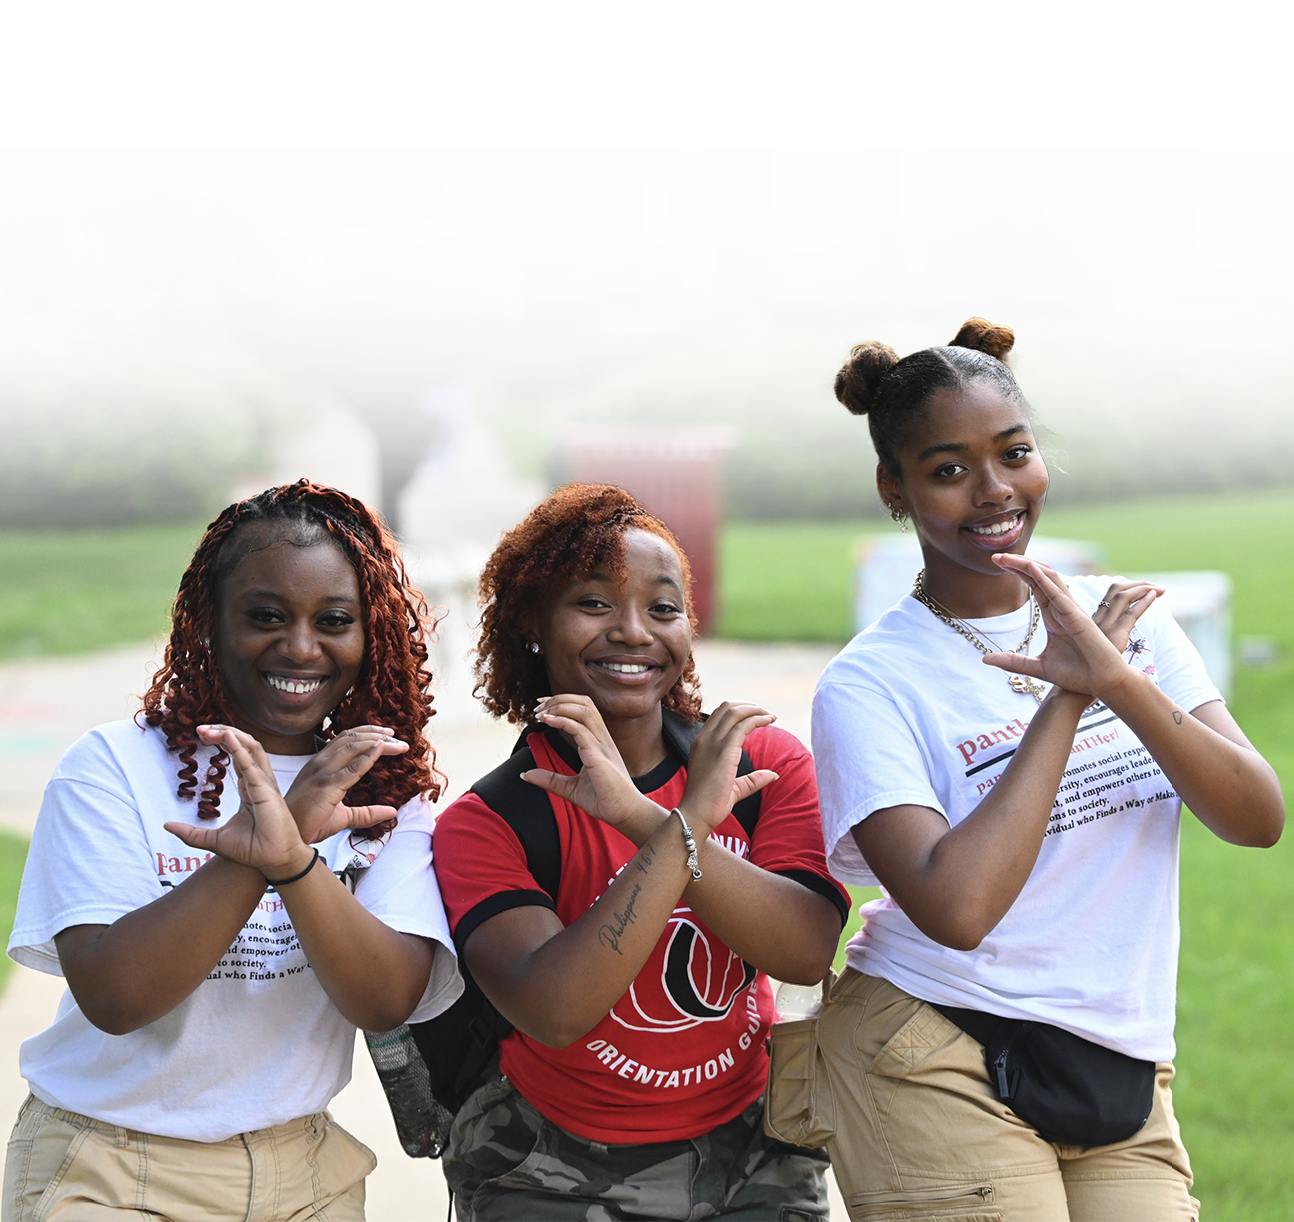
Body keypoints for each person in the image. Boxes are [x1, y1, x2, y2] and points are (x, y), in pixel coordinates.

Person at [809, 319, 1284, 1221]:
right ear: (893, 488)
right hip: (932, 1044)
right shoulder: (868, 683)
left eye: (1014, 454)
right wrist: (1067, 700)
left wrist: (1113, 676)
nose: (993, 491)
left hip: (1118, 1054)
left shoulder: (1133, 625)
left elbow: (1256, 815)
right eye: (948, 470)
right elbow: (958, 909)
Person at [3, 480, 462, 1222]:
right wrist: (251, 857)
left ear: (369, 636)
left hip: (303, 1173)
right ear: (208, 622)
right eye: (266, 617)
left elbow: (386, 1001)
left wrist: (295, 865)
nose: (301, 646)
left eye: (334, 620)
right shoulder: (115, 767)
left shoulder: (383, 794)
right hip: (112, 1166)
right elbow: (116, 999)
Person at [432, 483, 851, 1222]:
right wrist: (673, 824)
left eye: (662, 608)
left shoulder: (762, 765)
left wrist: (642, 818)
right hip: (550, 1167)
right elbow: (555, 1009)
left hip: (753, 1152)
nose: (633, 632)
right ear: (533, 622)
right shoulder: (488, 821)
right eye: (593, 604)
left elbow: (805, 949)